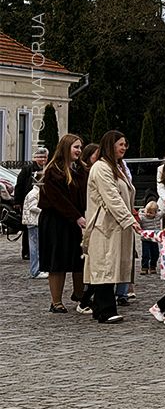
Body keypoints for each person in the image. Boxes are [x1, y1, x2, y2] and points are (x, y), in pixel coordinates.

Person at [82, 130, 141, 324]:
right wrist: (129, 220)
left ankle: (100, 307)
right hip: (104, 225)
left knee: (110, 265)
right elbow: (112, 197)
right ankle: (106, 309)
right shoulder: (100, 168)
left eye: (125, 144)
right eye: (121, 144)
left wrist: (131, 215)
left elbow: (124, 195)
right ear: (110, 145)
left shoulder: (115, 167)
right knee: (104, 265)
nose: (124, 148)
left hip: (116, 224)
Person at [39, 134, 89, 314]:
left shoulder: (79, 169)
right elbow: (57, 199)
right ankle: (56, 301)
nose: (79, 150)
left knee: (78, 258)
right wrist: (77, 216)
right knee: (57, 261)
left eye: (80, 147)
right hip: (56, 221)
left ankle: (80, 294)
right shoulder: (54, 170)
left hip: (73, 221)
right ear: (66, 148)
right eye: (76, 147)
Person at [15, 146, 47, 263]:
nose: (42, 159)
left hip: (42, 201)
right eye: (40, 157)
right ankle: (27, 251)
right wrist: (17, 202)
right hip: (29, 201)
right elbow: (19, 185)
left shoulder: (47, 168)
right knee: (28, 228)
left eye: (44, 157)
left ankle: (39, 252)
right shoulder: (27, 169)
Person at [21, 171, 46, 278]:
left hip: (34, 222)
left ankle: (37, 269)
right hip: (33, 222)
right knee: (35, 247)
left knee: (36, 247)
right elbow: (32, 207)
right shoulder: (34, 193)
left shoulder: (36, 192)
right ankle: (36, 270)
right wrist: (44, 210)